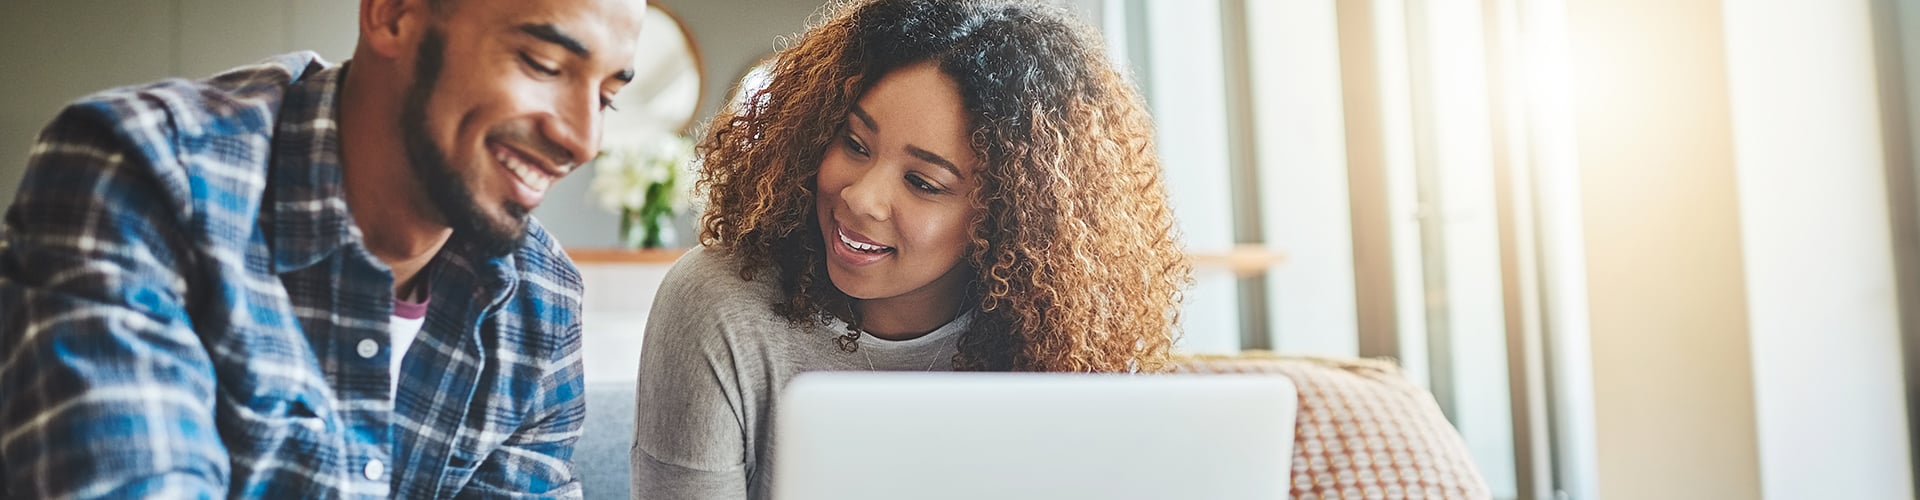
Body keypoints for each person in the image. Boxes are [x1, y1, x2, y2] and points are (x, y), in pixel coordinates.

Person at [0, 0, 642, 497]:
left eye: (607, 98)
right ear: (393, 13)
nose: (583, 140)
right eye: (543, 65)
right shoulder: (144, 175)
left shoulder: (542, 298)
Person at [629, 0, 1191, 498]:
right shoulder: (720, 306)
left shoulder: (1068, 336)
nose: (861, 197)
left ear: (1005, 217)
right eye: (854, 143)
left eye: (923, 183)